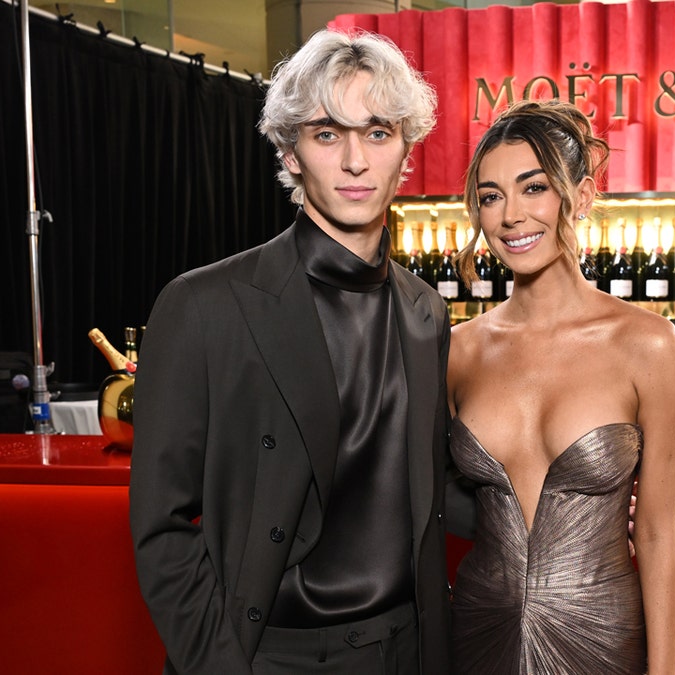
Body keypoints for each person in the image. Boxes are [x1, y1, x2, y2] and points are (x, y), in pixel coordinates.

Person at [129, 29, 452, 674]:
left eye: (379, 132)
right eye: (328, 134)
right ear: (291, 150)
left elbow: (415, 477)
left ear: (405, 150)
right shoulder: (204, 307)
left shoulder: (425, 311)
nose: (356, 161)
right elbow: (161, 530)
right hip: (273, 655)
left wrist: (568, 499)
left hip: (408, 650)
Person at [447, 99, 675, 674]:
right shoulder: (458, 351)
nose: (510, 216)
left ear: (579, 196)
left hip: (601, 633)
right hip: (479, 627)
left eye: (533, 188)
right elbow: (427, 504)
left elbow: (656, 536)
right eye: (490, 196)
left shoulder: (648, 344)